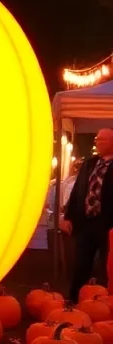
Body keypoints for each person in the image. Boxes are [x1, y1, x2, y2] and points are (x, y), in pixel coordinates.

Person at [62, 128, 113, 300]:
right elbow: (77, 191)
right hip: (86, 221)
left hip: (107, 223)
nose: (98, 143)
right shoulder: (89, 164)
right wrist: (67, 216)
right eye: (97, 139)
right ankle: (74, 299)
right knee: (81, 262)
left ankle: (106, 301)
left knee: (107, 265)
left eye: (103, 140)